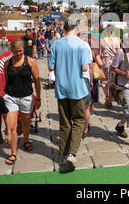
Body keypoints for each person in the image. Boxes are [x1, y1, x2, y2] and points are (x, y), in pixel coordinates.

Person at [48, 18, 91, 169]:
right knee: (79, 120)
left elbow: (50, 68)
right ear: (76, 28)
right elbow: (85, 68)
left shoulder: (56, 44)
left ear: (65, 28)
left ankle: (62, 154)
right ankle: (72, 153)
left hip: (62, 88)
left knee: (65, 123)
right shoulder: (81, 45)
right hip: (77, 88)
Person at [3, 38, 41, 165]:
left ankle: (26, 140)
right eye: (15, 52)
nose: (18, 54)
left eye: (20, 51)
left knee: (25, 122)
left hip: (26, 97)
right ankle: (13, 152)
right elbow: (6, 80)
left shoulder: (31, 62)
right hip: (11, 97)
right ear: (11, 51)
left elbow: (36, 80)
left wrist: (39, 98)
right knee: (12, 126)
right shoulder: (7, 63)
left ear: (23, 49)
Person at [99, 25, 121, 108]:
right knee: (113, 81)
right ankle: (111, 97)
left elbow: (100, 54)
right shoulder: (117, 40)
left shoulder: (102, 40)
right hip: (114, 62)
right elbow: (119, 53)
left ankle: (107, 97)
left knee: (104, 81)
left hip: (105, 62)